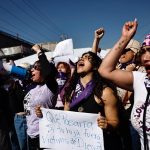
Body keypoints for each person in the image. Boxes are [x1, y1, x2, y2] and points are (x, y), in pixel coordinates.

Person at [99, 19, 150, 150]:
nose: (145, 58)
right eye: (143, 51)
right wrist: (125, 37)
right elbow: (104, 70)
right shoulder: (141, 80)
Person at [62, 51, 123, 150]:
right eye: (81, 57)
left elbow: (115, 122)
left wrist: (107, 124)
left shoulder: (105, 92)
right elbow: (65, 116)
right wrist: (42, 114)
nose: (82, 59)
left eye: (87, 58)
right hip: (77, 144)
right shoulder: (71, 91)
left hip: (101, 145)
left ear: (95, 67)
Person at [24, 44, 58, 150]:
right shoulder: (31, 87)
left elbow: (49, 72)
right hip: (30, 134)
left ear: (42, 71)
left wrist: (39, 51)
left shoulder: (50, 86)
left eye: (35, 69)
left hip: (44, 134)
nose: (31, 71)